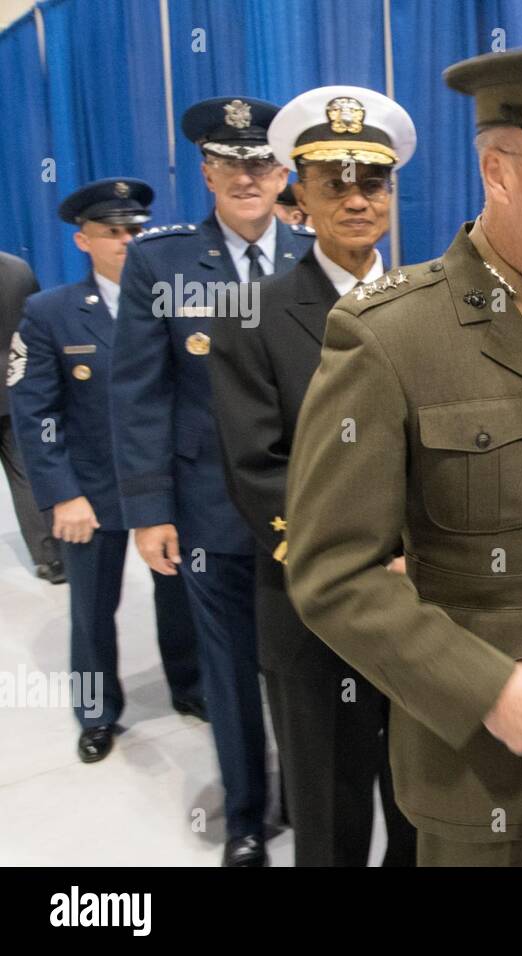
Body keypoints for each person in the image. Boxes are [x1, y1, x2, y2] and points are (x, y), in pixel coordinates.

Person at [284, 41, 522, 866]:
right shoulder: (390, 334)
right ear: (499, 171)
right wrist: (485, 687)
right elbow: (331, 570)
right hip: (481, 764)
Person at [210, 86, 418, 866]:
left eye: (374, 182)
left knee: (418, 803)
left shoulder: (428, 303)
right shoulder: (254, 315)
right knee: (329, 811)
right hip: (314, 602)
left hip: (422, 602)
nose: (357, 200)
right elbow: (259, 469)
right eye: (335, 182)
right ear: (298, 194)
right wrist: (357, 568)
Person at [110, 97, 315, 867]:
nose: (248, 176)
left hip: (304, 503)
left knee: (300, 662)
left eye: (262, 162)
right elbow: (136, 391)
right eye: (231, 163)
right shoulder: (159, 263)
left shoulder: (313, 255)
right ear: (206, 171)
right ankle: (245, 818)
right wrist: (149, 509)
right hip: (208, 509)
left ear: (284, 171)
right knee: (228, 669)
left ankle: (305, 789)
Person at [7, 179, 205, 763]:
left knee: (181, 600)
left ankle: (191, 690)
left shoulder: (179, 303)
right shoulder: (50, 313)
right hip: (90, 493)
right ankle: (96, 713)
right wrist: (62, 494)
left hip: (168, 486)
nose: (126, 241)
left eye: (135, 230)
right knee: (92, 611)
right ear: (82, 241)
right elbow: (34, 413)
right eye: (111, 232)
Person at [2, 250, 61, 582]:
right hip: (12, 385)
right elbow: (34, 329)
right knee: (25, 474)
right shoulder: (18, 267)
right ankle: (50, 557)